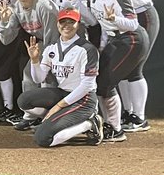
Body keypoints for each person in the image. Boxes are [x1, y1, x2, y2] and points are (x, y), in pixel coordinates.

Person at [76, 0, 148, 142]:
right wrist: (76, 0)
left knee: (106, 82)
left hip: (131, 39)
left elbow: (133, 23)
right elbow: (94, 21)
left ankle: (115, 128)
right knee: (100, 82)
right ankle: (109, 124)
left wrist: (114, 18)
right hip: (116, 39)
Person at [16, 9, 102, 146]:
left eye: (71, 22)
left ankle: (89, 123)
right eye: (63, 21)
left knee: (43, 139)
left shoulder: (87, 49)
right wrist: (34, 60)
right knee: (24, 100)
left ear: (78, 25)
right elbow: (38, 79)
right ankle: (54, 122)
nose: (66, 25)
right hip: (63, 93)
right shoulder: (52, 48)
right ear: (57, 24)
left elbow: (87, 86)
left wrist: (58, 106)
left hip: (83, 100)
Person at [104, 0, 160, 131]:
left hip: (142, 14)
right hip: (119, 20)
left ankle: (139, 117)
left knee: (135, 68)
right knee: (124, 69)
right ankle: (128, 113)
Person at [0, 0, 60, 124]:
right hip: (43, 42)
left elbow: (53, 38)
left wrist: (43, 62)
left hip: (60, 42)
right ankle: (31, 115)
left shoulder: (44, 6)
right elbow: (6, 39)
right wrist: (4, 22)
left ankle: (49, 117)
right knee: (29, 74)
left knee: (46, 76)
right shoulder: (15, 7)